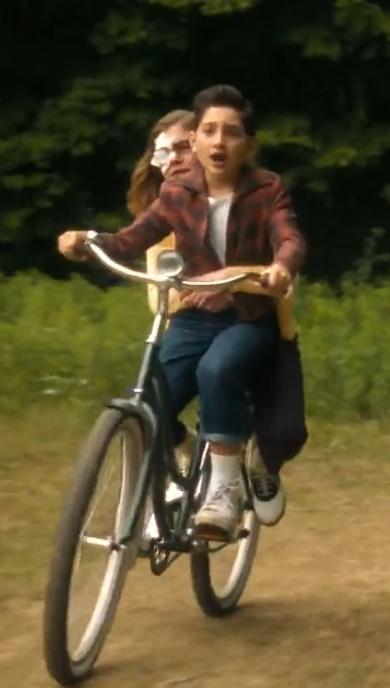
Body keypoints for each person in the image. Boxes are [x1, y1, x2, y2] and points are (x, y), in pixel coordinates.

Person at [58, 84, 307, 540]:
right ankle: (181, 469)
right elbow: (130, 239)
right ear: (195, 139)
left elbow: (289, 238)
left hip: (248, 315)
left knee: (219, 369)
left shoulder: (267, 189)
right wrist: (88, 242)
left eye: (231, 132)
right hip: (194, 317)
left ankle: (224, 489)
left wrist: (279, 268)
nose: (219, 142)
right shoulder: (176, 193)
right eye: (209, 131)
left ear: (248, 144)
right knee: (149, 400)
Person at [125, 108, 198, 544]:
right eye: (164, 151)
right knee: (146, 406)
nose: (173, 160)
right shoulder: (160, 213)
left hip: (228, 325)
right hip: (179, 328)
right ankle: (168, 485)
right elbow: (161, 295)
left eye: (183, 148)